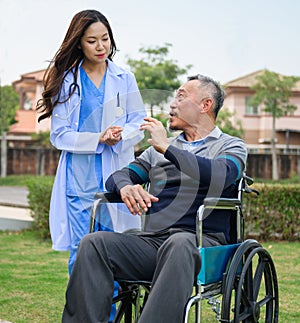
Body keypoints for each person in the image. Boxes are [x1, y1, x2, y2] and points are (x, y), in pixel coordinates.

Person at [62, 74, 248, 322]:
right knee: (94, 243)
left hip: (203, 245)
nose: (172, 104)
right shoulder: (155, 151)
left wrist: (168, 149)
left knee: (180, 243)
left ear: (205, 105)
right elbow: (118, 176)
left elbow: (222, 174)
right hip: (153, 243)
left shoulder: (230, 146)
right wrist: (126, 187)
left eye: (181, 97)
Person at [36, 10, 146, 274]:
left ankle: (108, 315)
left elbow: (139, 124)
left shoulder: (124, 78)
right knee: (82, 249)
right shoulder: (68, 81)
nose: (101, 47)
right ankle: (80, 312)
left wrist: (120, 134)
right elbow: (59, 134)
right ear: (79, 43)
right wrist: (98, 138)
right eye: (92, 41)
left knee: (114, 249)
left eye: (105, 39)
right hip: (79, 179)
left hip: (115, 177)